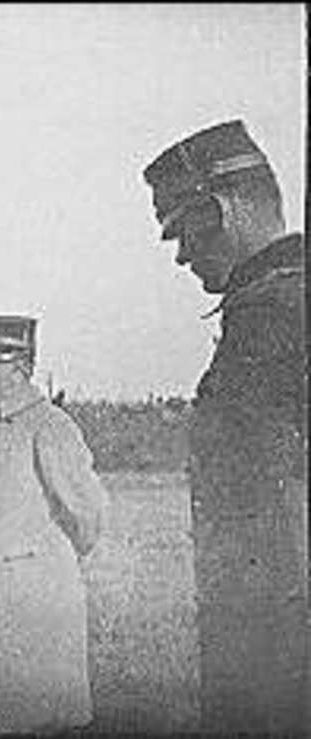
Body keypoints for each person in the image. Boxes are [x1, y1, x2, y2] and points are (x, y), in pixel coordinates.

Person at [142, 119, 307, 733]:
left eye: (185, 230)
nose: (182, 255)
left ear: (224, 210)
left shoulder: (273, 320)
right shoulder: (272, 307)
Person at [0, 315, 109, 735]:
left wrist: (48, 564)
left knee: (37, 714)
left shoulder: (50, 425)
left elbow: (88, 512)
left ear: (22, 369)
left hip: (34, 598)